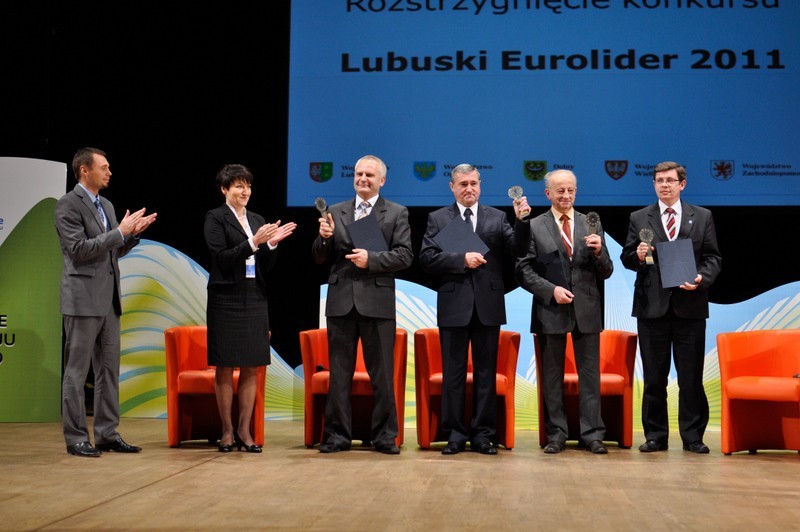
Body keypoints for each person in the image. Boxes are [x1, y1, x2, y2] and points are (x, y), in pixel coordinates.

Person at [419, 164, 530, 455]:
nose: (469, 189)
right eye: (463, 184)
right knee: (453, 373)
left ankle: (483, 435)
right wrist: (460, 259)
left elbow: (517, 249)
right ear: (452, 187)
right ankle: (455, 434)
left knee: (485, 373)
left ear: (480, 185)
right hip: (454, 305)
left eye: (474, 184)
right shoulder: (439, 218)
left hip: (488, 305)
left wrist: (522, 222)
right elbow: (427, 258)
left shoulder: (497, 216)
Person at [55, 147, 157, 457]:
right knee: (76, 373)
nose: (109, 172)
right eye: (104, 167)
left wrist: (130, 236)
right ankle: (75, 439)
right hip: (82, 300)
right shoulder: (67, 205)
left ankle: (107, 433)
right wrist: (118, 232)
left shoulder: (107, 205)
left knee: (108, 372)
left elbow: (110, 252)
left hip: (109, 301)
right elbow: (79, 250)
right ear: (84, 170)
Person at [311, 154, 413, 454]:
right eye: (358, 174)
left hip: (377, 302)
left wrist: (373, 260)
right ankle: (337, 437)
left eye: (369, 175)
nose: (363, 179)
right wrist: (324, 238)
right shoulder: (335, 211)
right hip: (341, 302)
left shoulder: (396, 213)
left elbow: (405, 255)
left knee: (382, 375)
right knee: (339, 375)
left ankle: (384, 436)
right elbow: (319, 257)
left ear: (382, 180)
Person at [621, 161, 721, 454]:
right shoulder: (639, 217)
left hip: (690, 307)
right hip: (652, 308)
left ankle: (692, 437)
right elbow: (628, 258)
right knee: (654, 378)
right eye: (659, 181)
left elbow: (713, 258)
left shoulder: (702, 217)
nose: (664, 185)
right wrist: (638, 255)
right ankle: (655, 435)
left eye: (669, 180)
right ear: (653, 185)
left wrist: (702, 278)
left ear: (682, 184)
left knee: (690, 377)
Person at [515, 169, 613, 454]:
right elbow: (523, 271)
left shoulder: (590, 223)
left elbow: (606, 271)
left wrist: (598, 252)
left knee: (590, 376)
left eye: (570, 190)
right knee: (552, 376)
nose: (566, 196)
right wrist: (551, 291)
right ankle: (556, 434)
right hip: (551, 310)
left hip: (588, 310)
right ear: (548, 194)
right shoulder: (533, 226)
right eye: (560, 191)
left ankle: (592, 434)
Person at [204, 164, 296, 453]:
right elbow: (222, 258)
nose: (245, 192)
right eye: (238, 186)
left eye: (248, 186)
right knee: (225, 365)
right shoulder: (215, 218)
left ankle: (244, 430)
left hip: (254, 296)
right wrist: (254, 242)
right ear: (224, 189)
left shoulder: (257, 219)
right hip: (226, 298)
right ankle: (227, 431)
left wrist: (270, 246)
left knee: (251, 365)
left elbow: (266, 266)